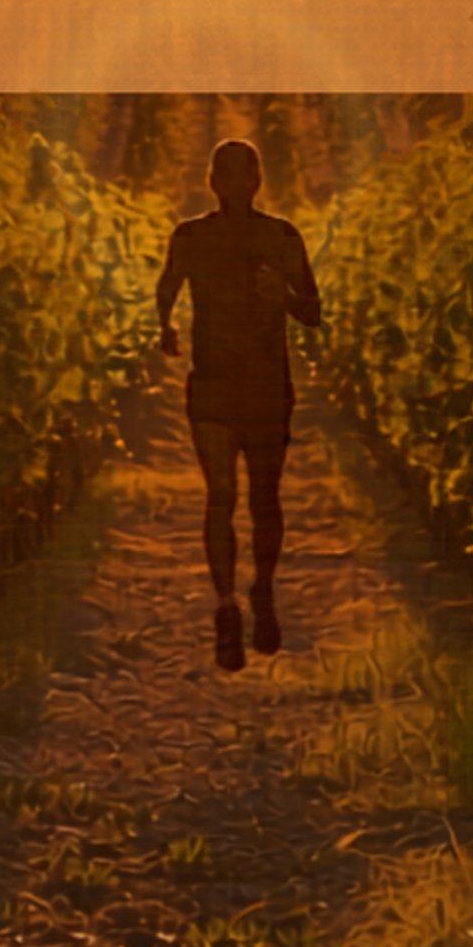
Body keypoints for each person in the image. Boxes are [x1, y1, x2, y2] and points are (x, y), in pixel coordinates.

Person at [156, 137, 321, 670]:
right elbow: (167, 285)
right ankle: (227, 606)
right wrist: (166, 326)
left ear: (255, 183)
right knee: (221, 493)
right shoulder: (191, 237)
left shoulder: (281, 237)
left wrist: (286, 298)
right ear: (213, 182)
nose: (233, 186)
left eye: (242, 176)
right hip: (213, 388)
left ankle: (264, 590)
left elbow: (314, 311)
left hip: (268, 388)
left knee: (264, 499)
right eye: (224, 176)